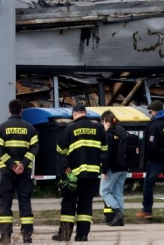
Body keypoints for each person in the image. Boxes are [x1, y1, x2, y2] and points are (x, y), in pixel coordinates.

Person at [53, 103, 107, 242]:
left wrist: (65, 169)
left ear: (75, 113)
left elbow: (60, 150)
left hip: (74, 174)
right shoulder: (98, 127)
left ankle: (65, 234)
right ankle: (82, 235)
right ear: (85, 113)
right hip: (93, 174)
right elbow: (105, 149)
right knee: (86, 203)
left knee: (69, 204)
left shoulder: (70, 128)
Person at [0, 99, 38, 244]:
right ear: (21, 110)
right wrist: (23, 164)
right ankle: (27, 235)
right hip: (24, 172)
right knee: (24, 201)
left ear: (9, 110)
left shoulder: (1, 128)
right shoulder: (30, 128)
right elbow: (35, 148)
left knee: (5, 202)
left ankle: (5, 236)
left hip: (7, 171)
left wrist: (11, 165)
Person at [99, 110, 128, 227]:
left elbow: (107, 155)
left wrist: (104, 170)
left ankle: (117, 212)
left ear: (107, 122)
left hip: (113, 168)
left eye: (103, 123)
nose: (102, 125)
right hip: (124, 167)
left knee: (104, 191)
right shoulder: (121, 133)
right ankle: (120, 219)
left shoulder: (108, 136)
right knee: (118, 192)